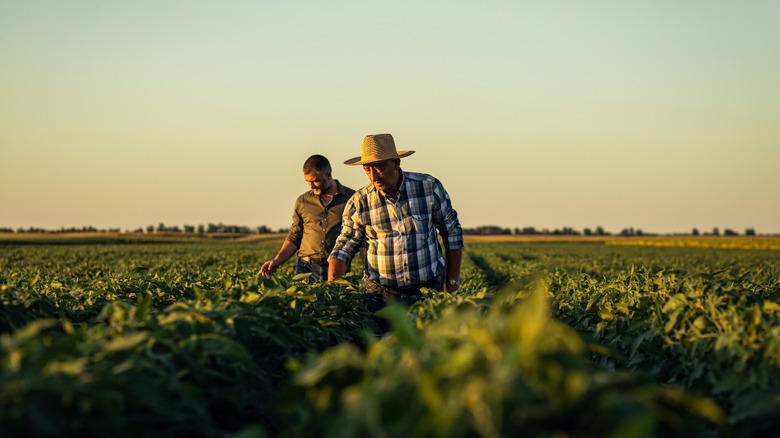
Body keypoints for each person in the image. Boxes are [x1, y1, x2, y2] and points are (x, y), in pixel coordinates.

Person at [328, 133, 463, 330]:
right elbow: (344, 247)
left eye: (380, 167)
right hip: (380, 296)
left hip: (426, 293)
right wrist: (333, 287)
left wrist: (452, 282)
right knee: (381, 351)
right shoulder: (359, 202)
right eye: (367, 169)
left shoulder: (428, 187)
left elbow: (452, 233)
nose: (374, 176)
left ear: (396, 163)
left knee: (426, 351)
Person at [260, 154, 357, 283]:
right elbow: (295, 235)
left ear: (328, 175)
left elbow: (360, 237)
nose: (311, 185)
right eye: (308, 182)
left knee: (338, 302)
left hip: (338, 267)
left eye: (316, 181)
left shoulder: (351, 198)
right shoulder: (303, 201)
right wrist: (277, 261)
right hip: (306, 269)